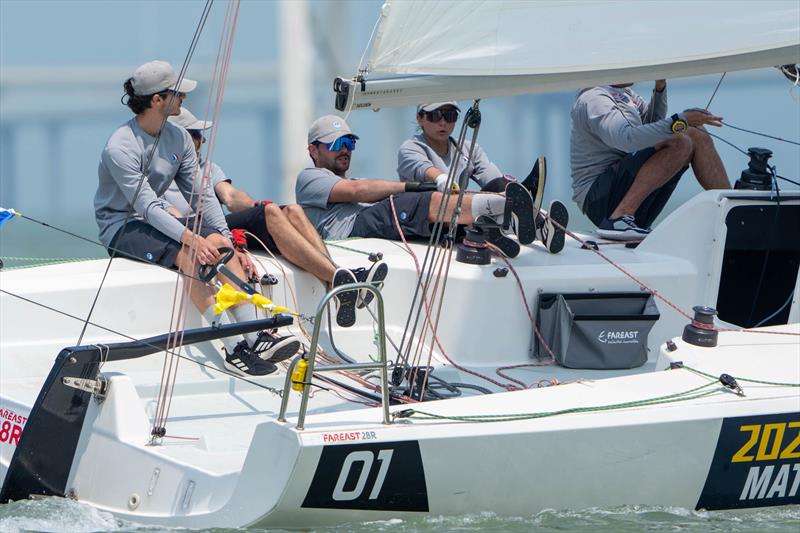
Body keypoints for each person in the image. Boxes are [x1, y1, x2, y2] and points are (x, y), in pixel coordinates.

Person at [94, 60, 291, 377]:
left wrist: (227, 239)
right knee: (190, 255)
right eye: (177, 93)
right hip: (123, 225)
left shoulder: (179, 139)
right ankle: (232, 345)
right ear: (157, 99)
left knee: (220, 246)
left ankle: (256, 337)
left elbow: (201, 195)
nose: (184, 98)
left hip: (157, 218)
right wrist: (192, 240)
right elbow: (146, 207)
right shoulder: (120, 147)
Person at [162, 108, 387, 329]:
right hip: (197, 232)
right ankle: (343, 281)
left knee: (292, 211)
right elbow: (169, 215)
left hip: (219, 227)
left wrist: (259, 209)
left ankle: (336, 285)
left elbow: (231, 197)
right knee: (269, 213)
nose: (201, 142)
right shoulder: (161, 174)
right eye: (195, 136)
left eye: (201, 137)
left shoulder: (207, 168)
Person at [296, 115, 538, 258]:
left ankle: (509, 219)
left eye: (349, 142)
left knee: (440, 224)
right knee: (418, 203)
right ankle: (505, 206)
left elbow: (361, 189)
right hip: (352, 231)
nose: (345, 149)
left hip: (371, 225)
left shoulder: (351, 179)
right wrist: (412, 187)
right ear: (313, 150)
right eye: (336, 143)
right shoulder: (309, 177)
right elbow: (358, 193)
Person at [397, 102, 569, 254]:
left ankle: (539, 228)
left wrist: (510, 189)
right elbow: (425, 169)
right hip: (431, 222)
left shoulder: (467, 148)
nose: (443, 122)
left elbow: (492, 179)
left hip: (461, 216)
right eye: (435, 116)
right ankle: (509, 223)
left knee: (504, 186)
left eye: (450, 116)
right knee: (489, 206)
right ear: (420, 118)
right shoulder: (411, 148)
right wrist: (442, 179)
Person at [570, 80, 730, 240]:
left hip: (621, 190)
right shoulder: (594, 99)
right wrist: (681, 121)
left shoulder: (625, 94)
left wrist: (660, 88)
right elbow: (628, 140)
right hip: (599, 201)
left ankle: (733, 209)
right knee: (679, 141)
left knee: (696, 132)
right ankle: (619, 218)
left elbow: (652, 126)